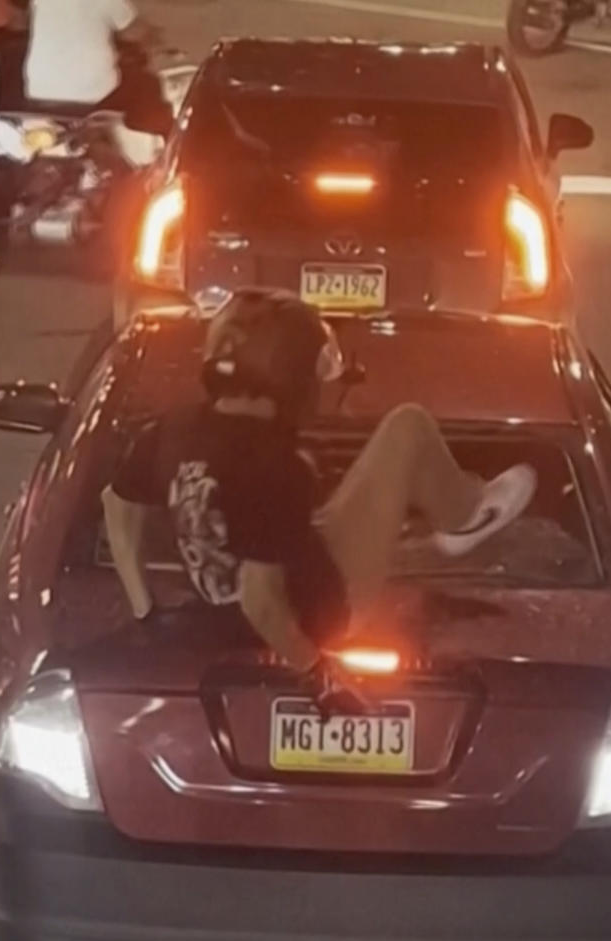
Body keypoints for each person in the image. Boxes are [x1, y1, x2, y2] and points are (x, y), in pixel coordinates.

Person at [102, 288, 537, 707]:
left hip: (230, 611)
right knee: (408, 428)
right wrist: (318, 675)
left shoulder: (171, 430)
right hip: (325, 607)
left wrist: (147, 613)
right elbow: (261, 602)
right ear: (293, 374)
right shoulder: (276, 467)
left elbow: (117, 506)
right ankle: (465, 515)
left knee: (316, 520)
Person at [24, 0, 170, 135]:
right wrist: (155, 36)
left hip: (39, 92)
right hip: (94, 96)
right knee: (148, 84)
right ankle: (163, 149)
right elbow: (135, 30)